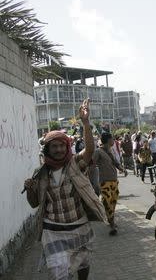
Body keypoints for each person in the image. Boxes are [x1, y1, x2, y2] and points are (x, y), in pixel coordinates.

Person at [23, 99, 106, 280]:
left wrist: (85, 123)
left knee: (83, 261)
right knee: (58, 272)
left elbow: (90, 150)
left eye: (62, 145)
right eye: (55, 146)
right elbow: (34, 203)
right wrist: (30, 190)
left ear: (67, 146)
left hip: (79, 225)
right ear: (48, 149)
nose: (59, 149)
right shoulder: (40, 173)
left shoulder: (75, 164)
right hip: (53, 230)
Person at [93, 132, 124, 235]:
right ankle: (112, 225)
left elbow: (115, 162)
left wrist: (121, 169)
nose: (113, 141)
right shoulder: (98, 152)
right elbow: (92, 164)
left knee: (113, 202)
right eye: (112, 139)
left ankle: (111, 220)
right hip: (104, 182)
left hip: (114, 180)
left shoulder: (110, 151)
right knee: (107, 202)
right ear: (108, 140)